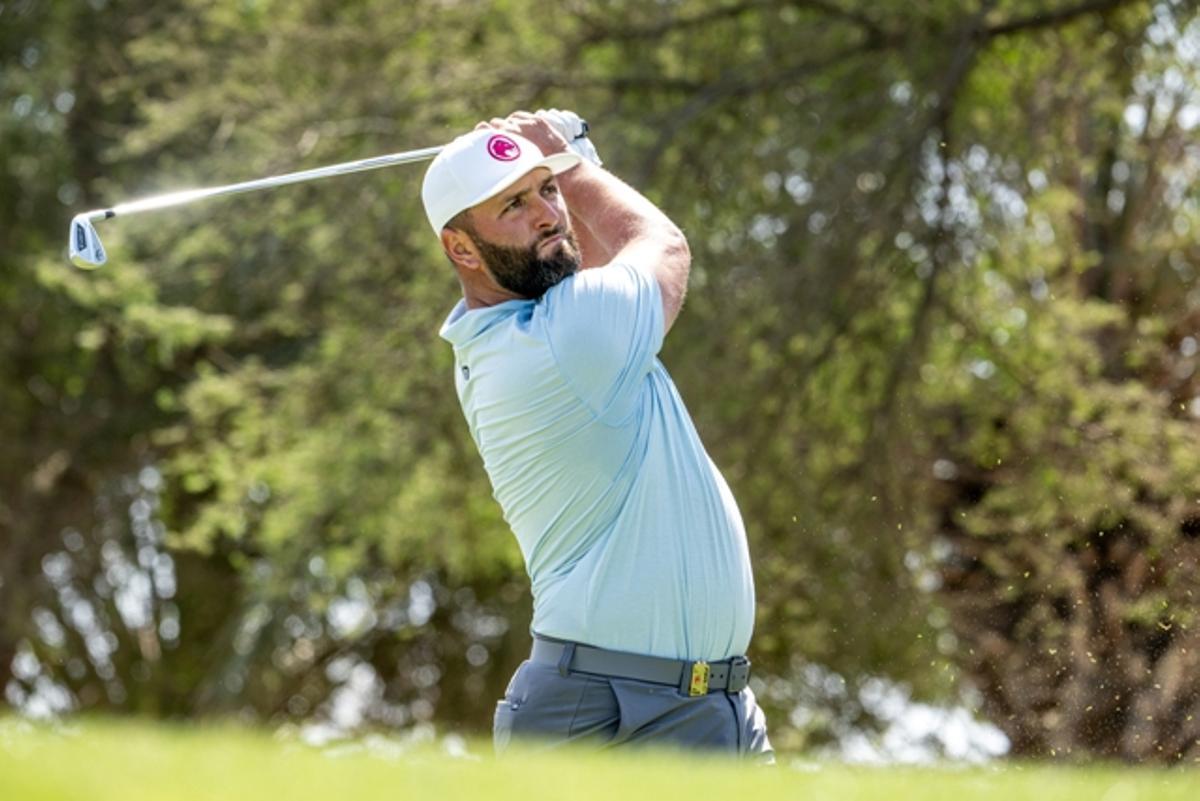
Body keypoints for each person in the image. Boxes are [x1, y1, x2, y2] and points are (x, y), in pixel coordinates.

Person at [422, 110, 771, 760]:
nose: (548, 213)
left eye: (547, 190)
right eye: (514, 204)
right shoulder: (563, 341)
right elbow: (661, 247)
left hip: (698, 704)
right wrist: (574, 163)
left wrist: (571, 162)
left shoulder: (528, 330)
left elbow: (593, 263)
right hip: (623, 711)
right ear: (462, 248)